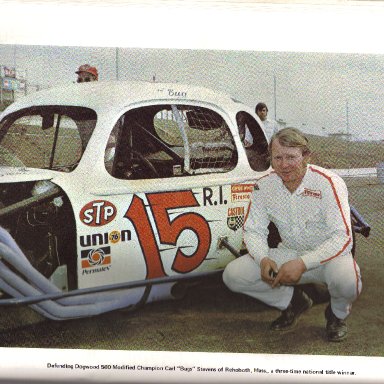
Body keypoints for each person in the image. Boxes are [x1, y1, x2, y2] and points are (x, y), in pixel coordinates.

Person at [223, 127, 362, 342]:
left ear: (306, 156)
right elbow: (253, 230)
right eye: (278, 157)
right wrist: (263, 258)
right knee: (233, 274)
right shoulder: (264, 186)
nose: (284, 164)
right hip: (289, 254)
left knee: (349, 282)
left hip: (327, 258)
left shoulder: (328, 183)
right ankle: (293, 302)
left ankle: (336, 315)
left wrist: (304, 263)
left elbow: (342, 236)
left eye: (291, 157)